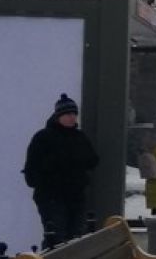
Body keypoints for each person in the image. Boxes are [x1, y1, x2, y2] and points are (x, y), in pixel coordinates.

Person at [23, 93, 99, 248]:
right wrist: (48, 175)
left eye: (74, 114)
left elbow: (93, 160)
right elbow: (32, 168)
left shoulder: (79, 137)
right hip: (51, 196)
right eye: (68, 114)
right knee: (56, 236)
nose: (72, 118)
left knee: (75, 236)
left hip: (75, 195)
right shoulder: (43, 137)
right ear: (58, 116)